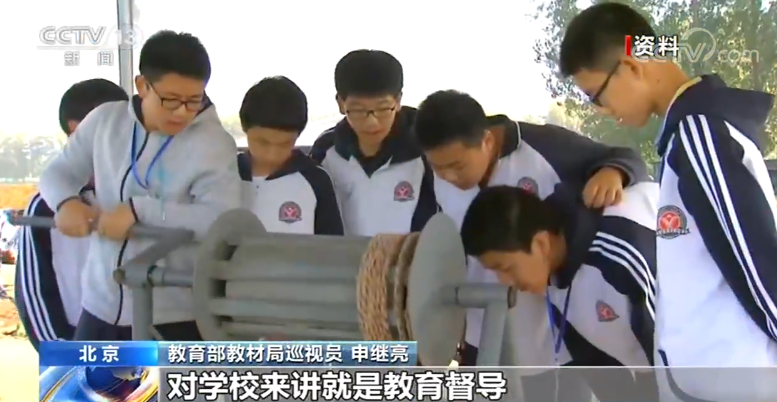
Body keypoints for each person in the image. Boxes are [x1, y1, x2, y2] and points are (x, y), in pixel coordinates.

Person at [559, 3, 777, 400]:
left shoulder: (700, 135)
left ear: (631, 66)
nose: (602, 111)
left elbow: (758, 264)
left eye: (596, 96)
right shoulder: (689, 136)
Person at [413, 89, 650, 398]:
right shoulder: (435, 180)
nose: (448, 177)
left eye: (457, 166)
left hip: (557, 334)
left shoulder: (546, 147)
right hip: (480, 335)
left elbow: (625, 158)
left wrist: (613, 172)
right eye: (438, 168)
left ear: (486, 141)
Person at [37, 31, 242, 341]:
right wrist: (65, 203)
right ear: (142, 85)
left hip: (173, 314)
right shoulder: (105, 122)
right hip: (100, 306)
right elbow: (58, 172)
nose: (182, 112)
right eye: (171, 100)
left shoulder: (214, 144)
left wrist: (140, 211)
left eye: (193, 101)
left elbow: (219, 218)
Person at [461, 183, 658, 401]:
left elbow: (675, 353)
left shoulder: (624, 257)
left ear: (541, 244)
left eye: (506, 268)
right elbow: (600, 370)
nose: (505, 282)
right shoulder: (552, 276)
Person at [15, 78, 127, 349]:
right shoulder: (46, 206)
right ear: (73, 133)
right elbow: (34, 293)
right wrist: (66, 355)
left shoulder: (149, 197)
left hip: (147, 348)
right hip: (76, 345)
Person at [309, 50, 437, 236]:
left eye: (383, 108)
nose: (372, 122)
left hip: (411, 254)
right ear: (341, 104)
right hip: (342, 254)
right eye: (358, 110)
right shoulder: (325, 151)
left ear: (398, 101)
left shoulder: (426, 149)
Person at [237, 76, 343, 235]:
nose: (272, 155)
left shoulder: (316, 180)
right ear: (245, 129)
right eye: (262, 142)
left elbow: (332, 245)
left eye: (285, 144)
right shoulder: (224, 174)